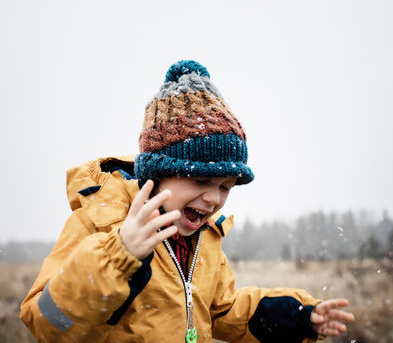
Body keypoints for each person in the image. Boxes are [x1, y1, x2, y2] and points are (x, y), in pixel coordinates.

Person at [20, 60, 354, 342]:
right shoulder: (98, 222)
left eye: (226, 186)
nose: (214, 199)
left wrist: (298, 318)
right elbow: (45, 322)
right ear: (157, 174)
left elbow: (221, 310)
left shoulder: (204, 237)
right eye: (201, 180)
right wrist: (119, 256)